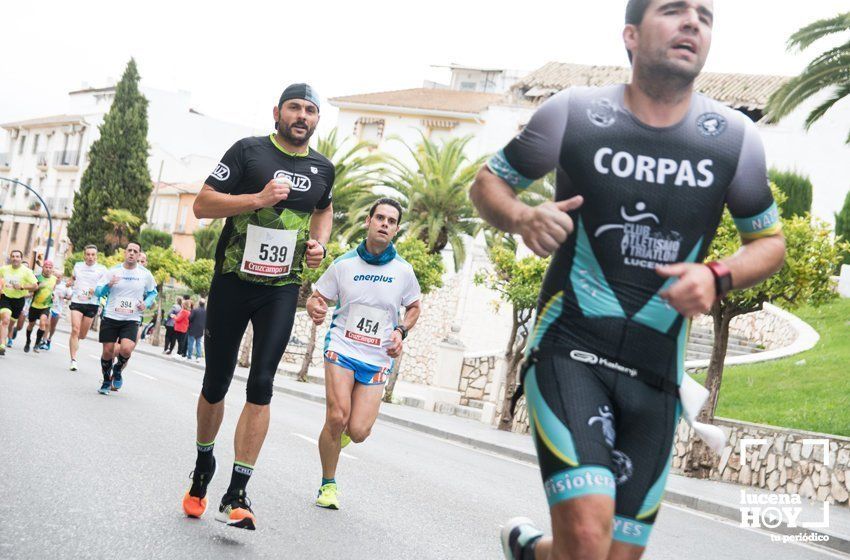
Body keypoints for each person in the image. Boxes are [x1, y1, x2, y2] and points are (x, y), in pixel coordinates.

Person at [469, 1, 787, 558]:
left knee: (607, 554)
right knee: (590, 536)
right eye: (674, 11)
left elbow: (769, 244)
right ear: (631, 36)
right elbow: (488, 184)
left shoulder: (733, 139)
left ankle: (529, 551)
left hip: (656, 378)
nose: (693, 22)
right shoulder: (572, 112)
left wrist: (717, 275)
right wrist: (521, 217)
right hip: (570, 349)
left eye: (704, 16)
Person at [180, 82, 334, 530]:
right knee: (217, 380)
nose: (301, 115)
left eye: (309, 110)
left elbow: (324, 210)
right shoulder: (247, 151)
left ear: (317, 119)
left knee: (262, 382)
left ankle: (238, 490)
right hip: (232, 281)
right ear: (277, 112)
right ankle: (204, 465)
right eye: (294, 108)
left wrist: (319, 245)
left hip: (282, 287)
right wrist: (258, 199)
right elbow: (202, 205)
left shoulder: (323, 168)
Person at [307, 198, 421, 510]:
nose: (385, 223)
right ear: (368, 221)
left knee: (357, 431)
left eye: (391, 221)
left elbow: (414, 307)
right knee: (336, 416)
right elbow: (318, 298)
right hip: (342, 347)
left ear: (396, 229)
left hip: (377, 357)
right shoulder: (343, 265)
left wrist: (401, 331)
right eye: (380, 217)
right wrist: (315, 307)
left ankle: (338, 437)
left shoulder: (404, 271)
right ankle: (328, 485)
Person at [94, 242, 157, 395]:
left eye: (135, 251)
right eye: (129, 250)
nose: (131, 253)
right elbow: (98, 292)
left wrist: (146, 303)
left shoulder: (145, 274)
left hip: (131, 318)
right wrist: (109, 285)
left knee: (127, 349)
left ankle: (117, 369)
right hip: (111, 316)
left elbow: (152, 293)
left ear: (139, 254)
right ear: (124, 253)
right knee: (108, 351)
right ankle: (106, 380)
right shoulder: (113, 271)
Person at [68, 245, 107, 371]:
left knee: (82, 335)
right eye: (88, 254)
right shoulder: (78, 266)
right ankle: (73, 360)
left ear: (96, 256)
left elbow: (106, 287)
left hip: (92, 303)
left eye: (93, 254)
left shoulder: (102, 269)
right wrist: (70, 282)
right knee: (75, 329)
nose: (90, 257)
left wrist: (96, 291)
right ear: (84, 255)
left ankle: (75, 341)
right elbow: (73, 278)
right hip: (77, 301)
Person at [0, 250, 39, 356]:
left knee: (11, 324)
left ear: (21, 259)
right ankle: (2, 345)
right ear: (10, 258)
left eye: (17, 256)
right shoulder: (4, 269)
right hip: (5, 298)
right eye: (13, 256)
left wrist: (22, 287)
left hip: (19, 300)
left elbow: (35, 286)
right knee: (5, 320)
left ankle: (8, 336)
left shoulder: (26, 272)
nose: (15, 258)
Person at [24, 260, 58, 353]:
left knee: (43, 323)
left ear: (52, 269)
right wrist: (38, 287)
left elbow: (53, 288)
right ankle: (28, 341)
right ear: (43, 268)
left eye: (50, 268)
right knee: (31, 325)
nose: (48, 269)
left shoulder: (54, 279)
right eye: (46, 267)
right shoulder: (37, 278)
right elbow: (31, 290)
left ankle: (36, 344)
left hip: (46, 306)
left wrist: (52, 295)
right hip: (34, 305)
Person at [43, 275, 73, 351]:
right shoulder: (49, 282)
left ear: (61, 278)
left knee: (52, 327)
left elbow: (69, 297)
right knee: (47, 324)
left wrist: (64, 297)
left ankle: (49, 339)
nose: (56, 278)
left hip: (57, 309)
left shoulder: (65, 286)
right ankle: (43, 341)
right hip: (48, 306)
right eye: (55, 276)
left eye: (58, 277)